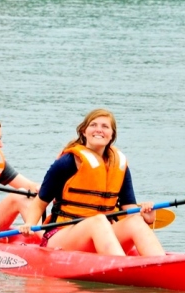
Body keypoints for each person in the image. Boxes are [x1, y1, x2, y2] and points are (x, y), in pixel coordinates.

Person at [19, 108, 166, 257]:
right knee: (98, 221)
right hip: (62, 235)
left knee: (135, 221)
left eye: (105, 126)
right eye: (93, 125)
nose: (99, 130)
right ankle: (121, 267)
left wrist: (146, 216)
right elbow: (40, 203)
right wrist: (29, 224)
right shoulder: (67, 162)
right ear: (84, 131)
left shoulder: (119, 165)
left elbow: (129, 210)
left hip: (103, 234)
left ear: (111, 135)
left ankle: (162, 265)